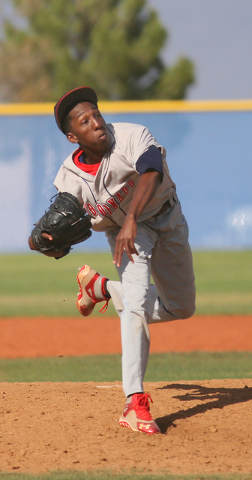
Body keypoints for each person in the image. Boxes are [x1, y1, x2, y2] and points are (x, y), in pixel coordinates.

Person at [29, 86, 196, 435]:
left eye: (96, 114)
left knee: (181, 307)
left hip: (165, 216)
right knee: (135, 303)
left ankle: (101, 288)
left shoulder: (131, 135)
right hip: (126, 235)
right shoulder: (70, 178)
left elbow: (151, 170)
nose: (96, 123)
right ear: (73, 136)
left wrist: (132, 216)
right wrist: (47, 244)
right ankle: (134, 402)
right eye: (85, 121)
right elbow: (54, 231)